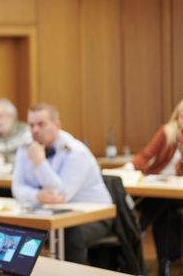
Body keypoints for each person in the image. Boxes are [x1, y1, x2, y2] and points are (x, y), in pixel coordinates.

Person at [13, 103, 112, 265]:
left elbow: (60, 195)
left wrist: (39, 163)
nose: (35, 130)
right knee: (16, 228)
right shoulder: (26, 148)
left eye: (41, 124)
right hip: (52, 212)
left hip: (94, 216)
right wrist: (37, 195)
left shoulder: (75, 151)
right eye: (31, 125)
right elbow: (17, 188)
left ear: (57, 125)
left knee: (69, 235)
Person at [130, 96, 183, 275]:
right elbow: (146, 155)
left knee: (165, 201)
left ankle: (137, 232)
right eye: (182, 117)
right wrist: (128, 167)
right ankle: (161, 261)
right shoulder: (167, 132)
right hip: (158, 189)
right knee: (163, 200)